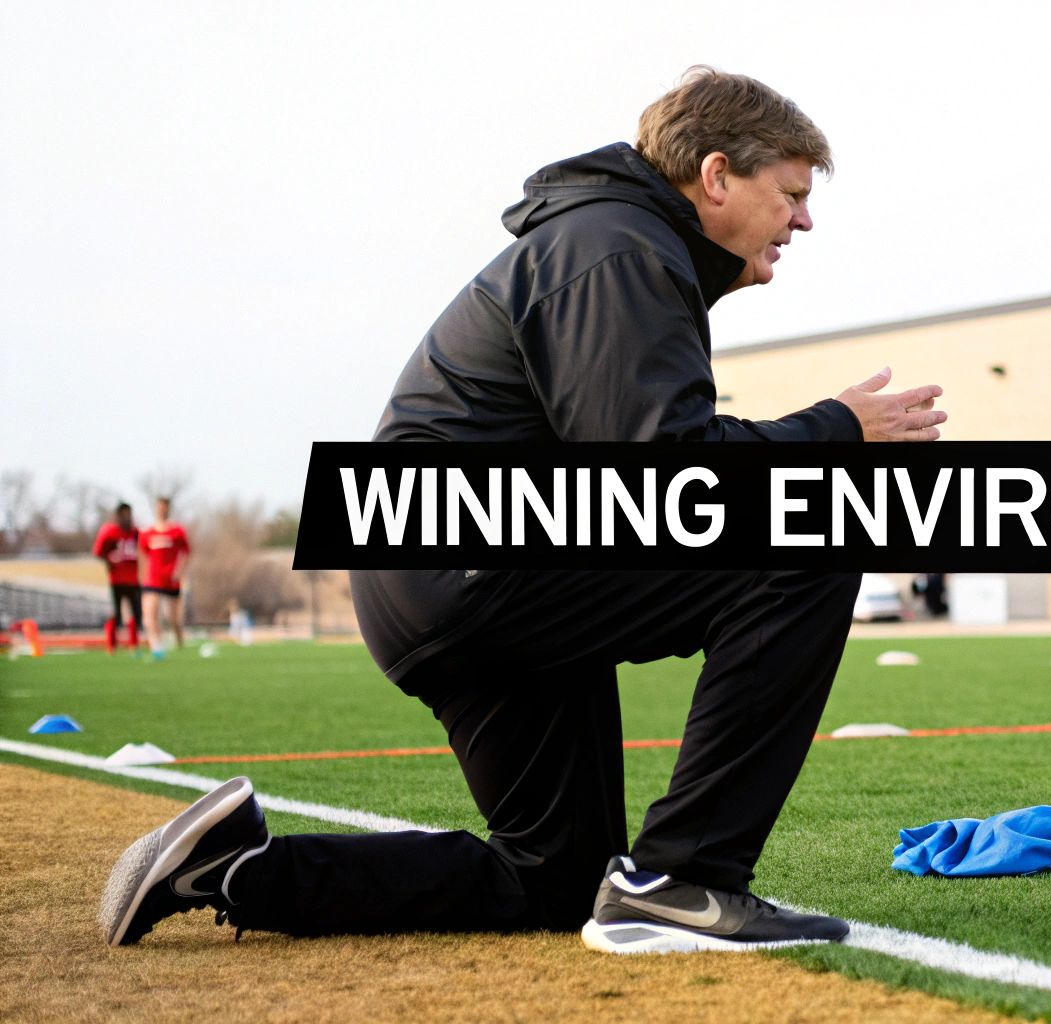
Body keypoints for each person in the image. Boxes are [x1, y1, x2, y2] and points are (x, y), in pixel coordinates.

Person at [102, 68, 946, 953]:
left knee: (554, 878)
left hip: (451, 574)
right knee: (811, 530)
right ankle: (684, 883)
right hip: (472, 564)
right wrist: (834, 431)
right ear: (717, 174)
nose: (804, 221)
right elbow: (663, 477)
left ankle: (237, 870)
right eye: (792, 195)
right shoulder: (618, 247)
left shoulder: (615, 243)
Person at [140, 496, 191, 656]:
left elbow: (187, 553)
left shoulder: (177, 531)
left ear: (168, 509)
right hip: (153, 580)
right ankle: (157, 648)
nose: (161, 510)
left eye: (164, 507)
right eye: (159, 507)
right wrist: (143, 575)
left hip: (171, 581)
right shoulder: (147, 533)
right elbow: (143, 555)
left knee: (173, 619)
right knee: (149, 616)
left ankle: (179, 641)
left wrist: (179, 572)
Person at [92, 502, 141, 654]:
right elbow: (98, 551)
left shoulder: (136, 533)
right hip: (117, 579)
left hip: (133, 579)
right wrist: (109, 561)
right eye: (124, 514)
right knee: (117, 614)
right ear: (118, 516)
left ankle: (133, 644)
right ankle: (111, 645)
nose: (128, 518)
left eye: (129, 514)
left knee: (137, 613)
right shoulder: (109, 532)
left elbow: (145, 553)